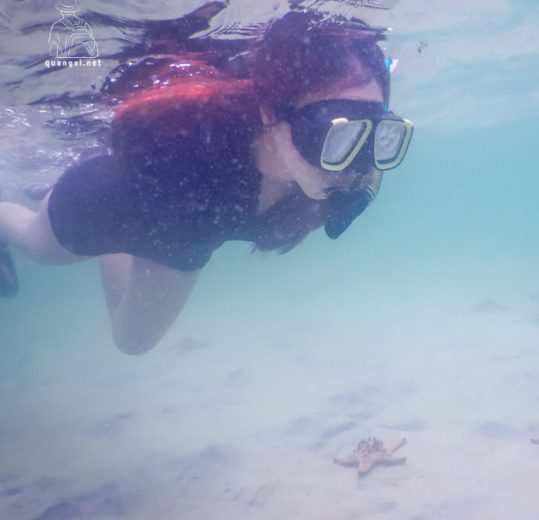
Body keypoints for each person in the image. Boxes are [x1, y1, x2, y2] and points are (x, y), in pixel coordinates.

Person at [0, 10, 414, 354]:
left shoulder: (354, 164)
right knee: (38, 248)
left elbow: (368, 164)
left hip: (183, 222)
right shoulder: (195, 159)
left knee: (132, 342)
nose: (353, 163)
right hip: (106, 203)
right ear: (270, 114)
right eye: (333, 134)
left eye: (375, 133)